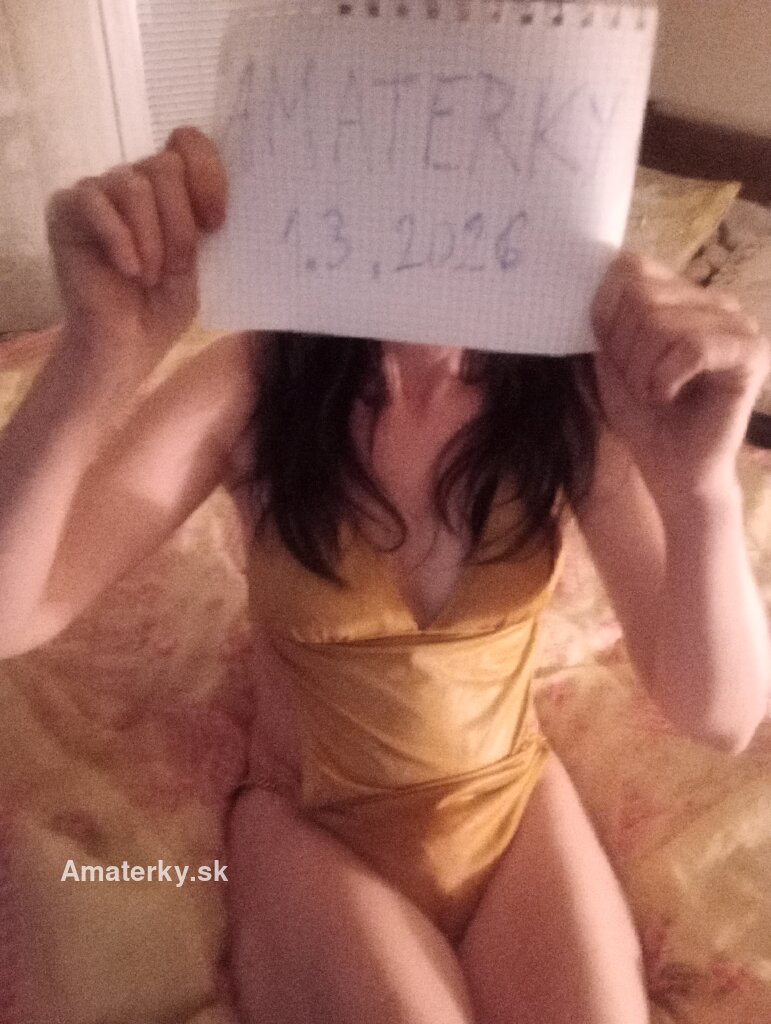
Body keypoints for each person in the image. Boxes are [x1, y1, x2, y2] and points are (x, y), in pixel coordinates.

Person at [0, 125, 768, 1024]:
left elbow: (720, 718)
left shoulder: (568, 402)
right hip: (310, 823)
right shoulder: (254, 379)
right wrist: (95, 356)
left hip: (510, 804)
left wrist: (699, 491)